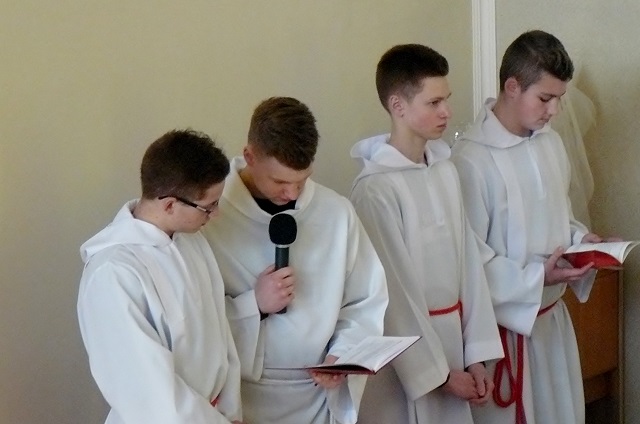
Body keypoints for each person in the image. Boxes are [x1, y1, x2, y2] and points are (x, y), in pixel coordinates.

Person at [451, 30, 612, 424]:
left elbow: (559, 215)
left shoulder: (549, 143)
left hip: (552, 323)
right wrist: (537, 277)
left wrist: (581, 241)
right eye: (545, 98)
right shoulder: (471, 160)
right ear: (512, 86)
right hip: (506, 334)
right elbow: (471, 260)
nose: (554, 110)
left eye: (559, 98)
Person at [202, 96, 388, 424]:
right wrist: (254, 305)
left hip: (315, 396)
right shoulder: (210, 216)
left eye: (302, 180)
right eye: (279, 182)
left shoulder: (336, 213)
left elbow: (364, 301)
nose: (292, 194)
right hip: (240, 397)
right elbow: (193, 318)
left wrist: (342, 354)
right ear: (250, 156)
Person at [349, 44, 503, 424]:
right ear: (398, 106)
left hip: (456, 346)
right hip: (408, 360)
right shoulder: (375, 189)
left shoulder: (446, 170)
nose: (446, 111)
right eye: (434, 102)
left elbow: (470, 266)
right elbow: (393, 292)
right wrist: (438, 375)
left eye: (446, 99)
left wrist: (476, 355)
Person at [77, 129, 243, 424]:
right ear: (169, 204)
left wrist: (230, 412)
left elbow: (219, 338)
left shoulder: (191, 240)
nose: (215, 215)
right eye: (209, 207)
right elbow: (148, 393)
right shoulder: (114, 274)